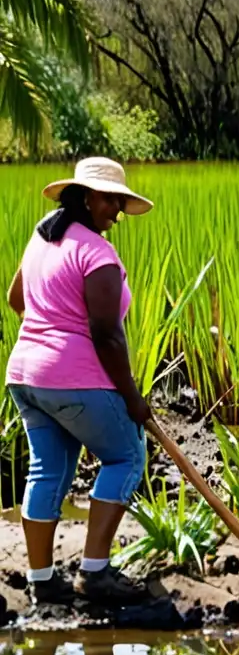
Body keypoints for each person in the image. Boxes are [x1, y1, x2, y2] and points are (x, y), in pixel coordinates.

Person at [5, 158, 153, 606]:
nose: (118, 211)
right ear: (85, 197)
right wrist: (132, 399)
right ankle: (95, 573)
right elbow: (107, 335)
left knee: (47, 469)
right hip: (72, 379)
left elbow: (16, 299)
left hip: (24, 376)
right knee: (126, 455)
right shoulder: (97, 254)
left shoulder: (42, 237)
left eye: (121, 202)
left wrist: (49, 332)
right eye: (110, 200)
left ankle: (42, 579)